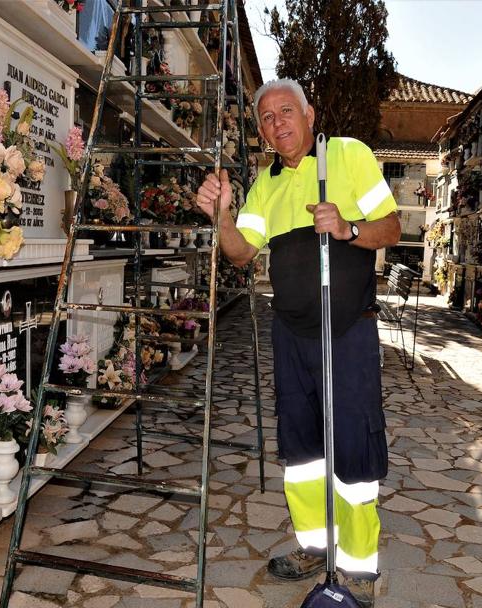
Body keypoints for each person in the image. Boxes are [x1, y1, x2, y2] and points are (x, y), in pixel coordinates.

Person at [195, 79, 401, 606]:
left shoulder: (347, 156)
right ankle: (316, 545)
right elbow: (241, 251)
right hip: (290, 332)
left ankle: (357, 569)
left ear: (309, 113)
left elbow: (393, 227)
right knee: (304, 452)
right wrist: (220, 215)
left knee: (353, 445)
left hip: (348, 329)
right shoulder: (266, 183)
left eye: (286, 111)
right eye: (266, 117)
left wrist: (350, 228)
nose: (277, 123)